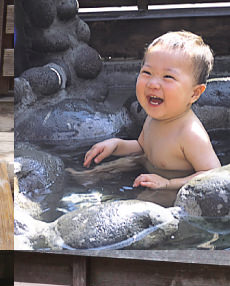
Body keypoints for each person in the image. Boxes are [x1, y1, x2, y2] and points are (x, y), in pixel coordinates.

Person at [78, 31, 221, 192]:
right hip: (149, 171)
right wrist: (116, 145)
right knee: (112, 167)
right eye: (147, 73)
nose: (153, 83)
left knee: (141, 205)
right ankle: (85, 179)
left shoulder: (190, 134)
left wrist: (168, 184)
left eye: (168, 77)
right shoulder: (153, 118)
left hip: (173, 189)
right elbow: (142, 147)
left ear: (194, 93)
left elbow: (212, 174)